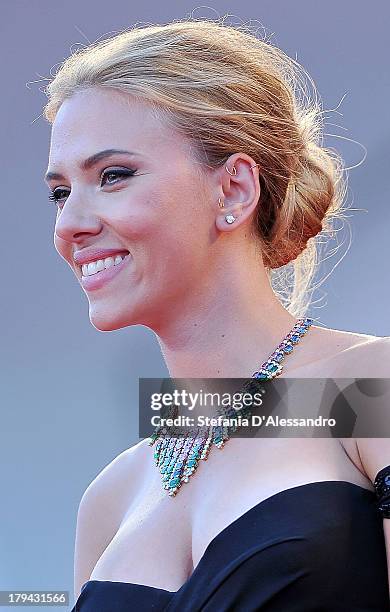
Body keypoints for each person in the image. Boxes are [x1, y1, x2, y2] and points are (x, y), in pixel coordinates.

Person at [42, 18, 390, 611]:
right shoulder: (113, 495)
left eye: (113, 176)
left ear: (233, 190)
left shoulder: (369, 386)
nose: (70, 223)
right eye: (59, 192)